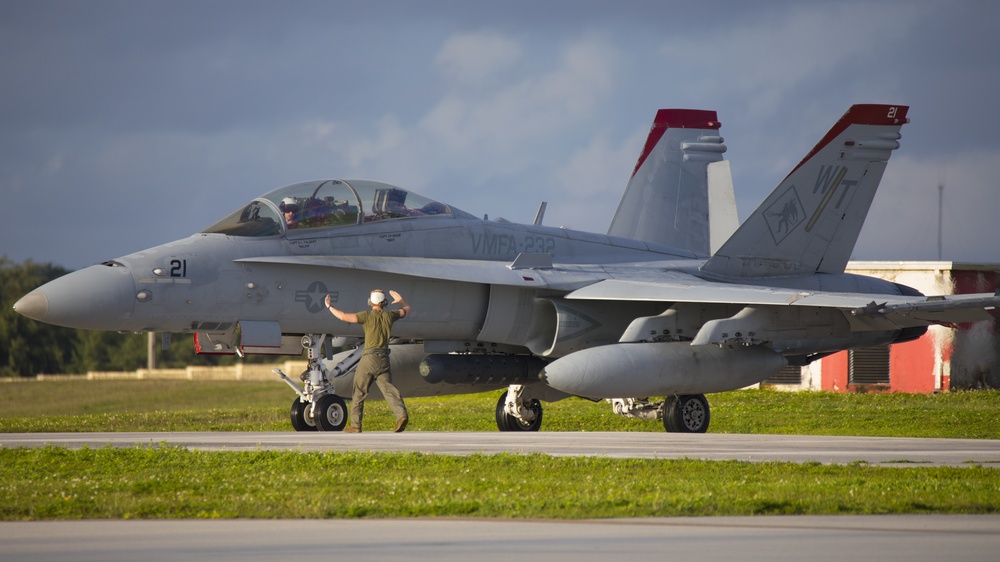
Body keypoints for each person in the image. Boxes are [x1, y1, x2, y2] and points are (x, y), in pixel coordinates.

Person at [324, 289, 410, 433]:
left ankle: (356, 425)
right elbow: (406, 310)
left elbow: (343, 317)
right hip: (384, 358)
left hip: (369, 358)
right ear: (384, 303)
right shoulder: (390, 315)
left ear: (370, 302)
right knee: (389, 389)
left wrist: (329, 307)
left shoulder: (366, 316)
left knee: (359, 391)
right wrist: (401, 300)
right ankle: (401, 415)